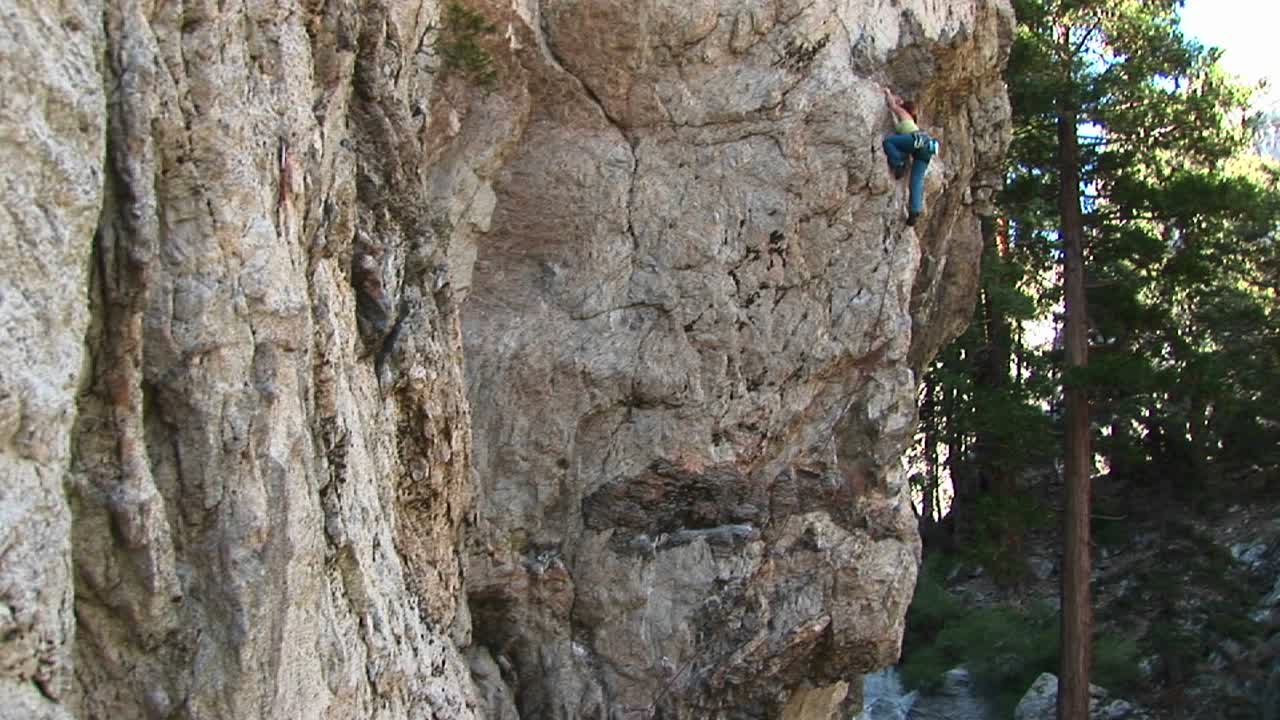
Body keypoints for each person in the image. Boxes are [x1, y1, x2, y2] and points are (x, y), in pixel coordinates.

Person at [882, 87, 939, 226]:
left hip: (916, 141)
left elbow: (892, 105)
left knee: (888, 142)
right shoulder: (912, 122)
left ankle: (898, 164)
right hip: (926, 146)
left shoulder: (905, 115)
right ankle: (915, 210)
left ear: (905, 109)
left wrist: (888, 93)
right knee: (916, 180)